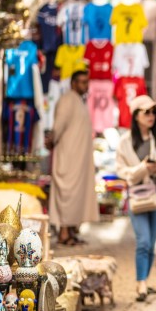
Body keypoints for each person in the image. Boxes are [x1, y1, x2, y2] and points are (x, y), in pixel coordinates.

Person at [116, 95, 156, 301]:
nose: (151, 116)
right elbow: (122, 171)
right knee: (143, 240)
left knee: (152, 241)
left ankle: (145, 280)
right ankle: (141, 283)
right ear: (136, 115)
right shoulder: (125, 142)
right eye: (146, 112)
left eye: (153, 112)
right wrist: (143, 168)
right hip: (137, 195)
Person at [47, 69, 99, 245]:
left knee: (75, 195)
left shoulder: (78, 101)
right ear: (73, 83)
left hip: (77, 159)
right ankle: (63, 233)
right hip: (68, 158)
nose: (86, 85)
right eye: (82, 82)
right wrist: (51, 139)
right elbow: (59, 125)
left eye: (87, 81)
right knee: (67, 193)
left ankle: (70, 231)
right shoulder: (68, 99)